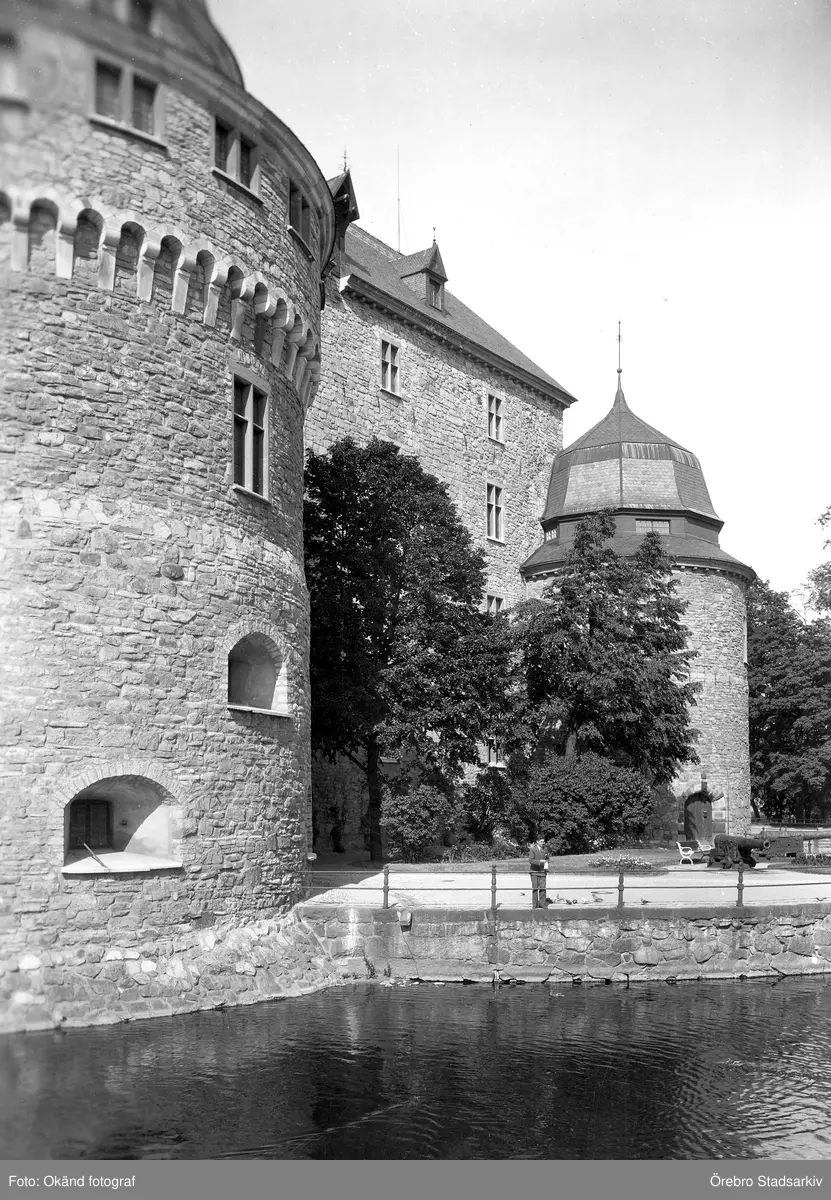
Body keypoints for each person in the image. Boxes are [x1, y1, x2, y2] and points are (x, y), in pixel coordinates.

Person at [529, 837, 549, 908]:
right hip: (534, 872)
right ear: (537, 842)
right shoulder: (533, 849)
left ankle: (542, 904)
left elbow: (547, 859)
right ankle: (535, 905)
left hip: (543, 872)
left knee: (543, 889)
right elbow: (531, 861)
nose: (542, 843)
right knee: (535, 889)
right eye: (541, 842)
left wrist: (546, 865)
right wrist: (540, 862)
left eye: (543, 842)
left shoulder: (545, 849)